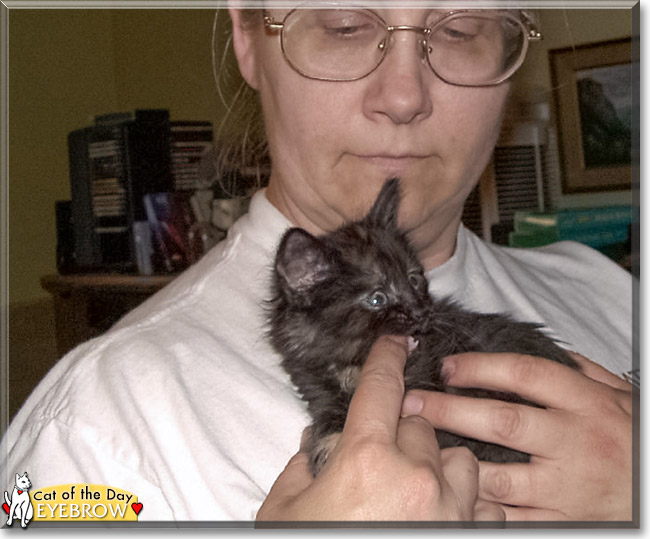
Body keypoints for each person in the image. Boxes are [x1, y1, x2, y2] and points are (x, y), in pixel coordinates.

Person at [1, 4, 635, 524]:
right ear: (248, 41)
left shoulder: (613, 288)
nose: (404, 96)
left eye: (459, 30)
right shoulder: (97, 424)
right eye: (345, 26)